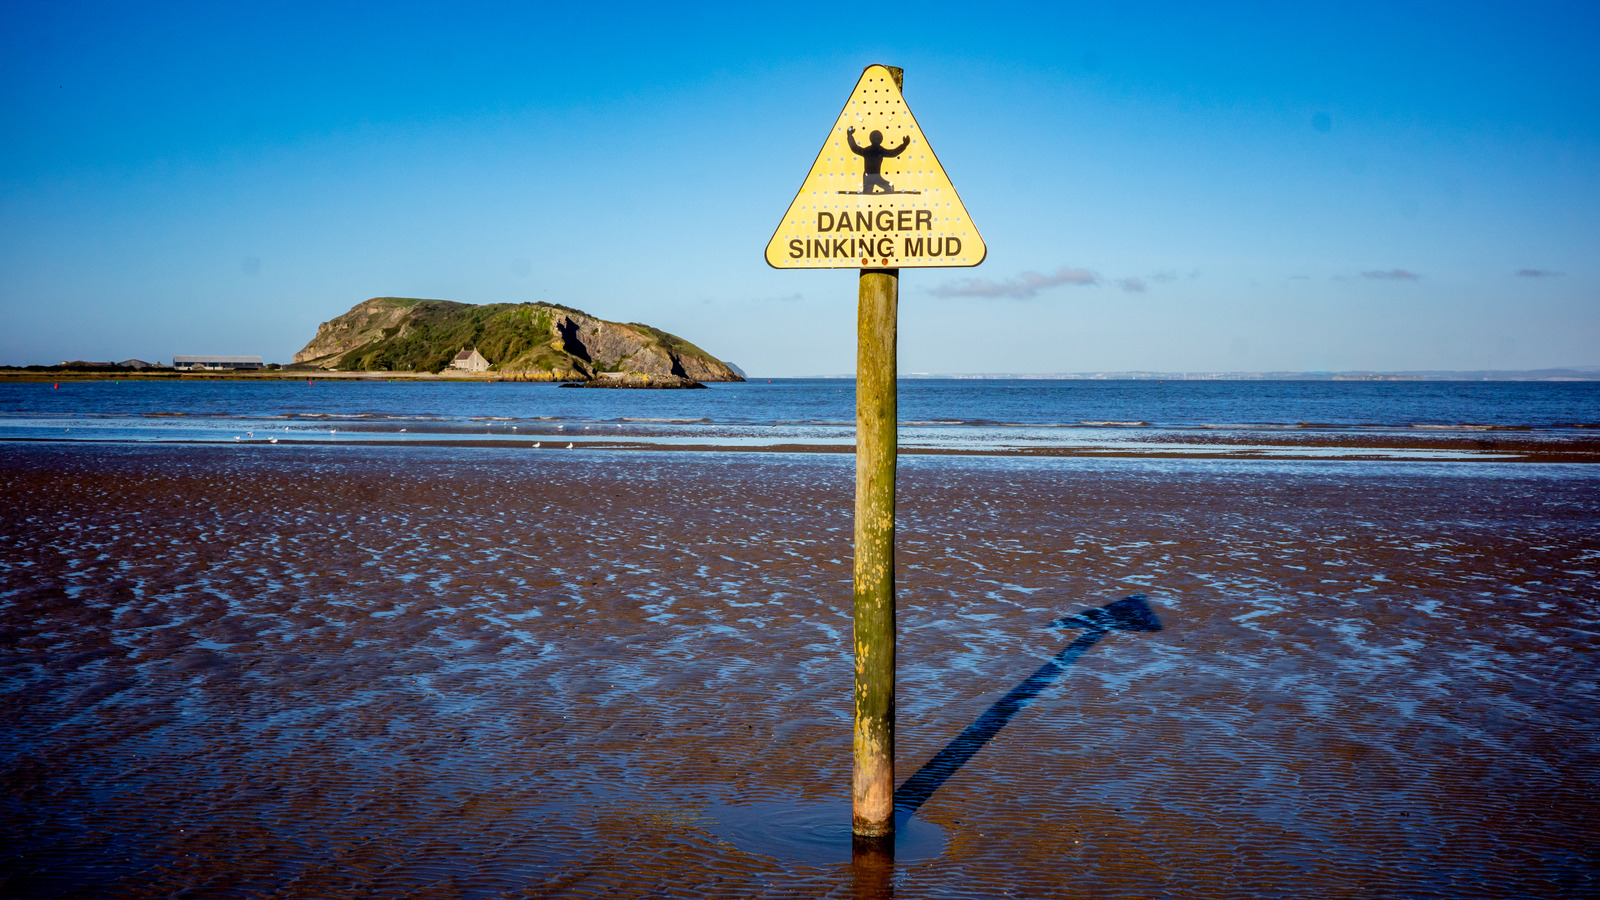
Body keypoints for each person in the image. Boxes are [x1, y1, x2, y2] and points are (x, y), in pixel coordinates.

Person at [847, 126, 911, 194]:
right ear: (881, 139)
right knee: (889, 187)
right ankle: (867, 191)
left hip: (871, 176)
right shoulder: (880, 150)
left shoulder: (868, 150)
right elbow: (893, 153)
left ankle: (867, 191)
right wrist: (904, 145)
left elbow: (854, 148)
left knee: (871, 191)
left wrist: (850, 136)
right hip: (872, 176)